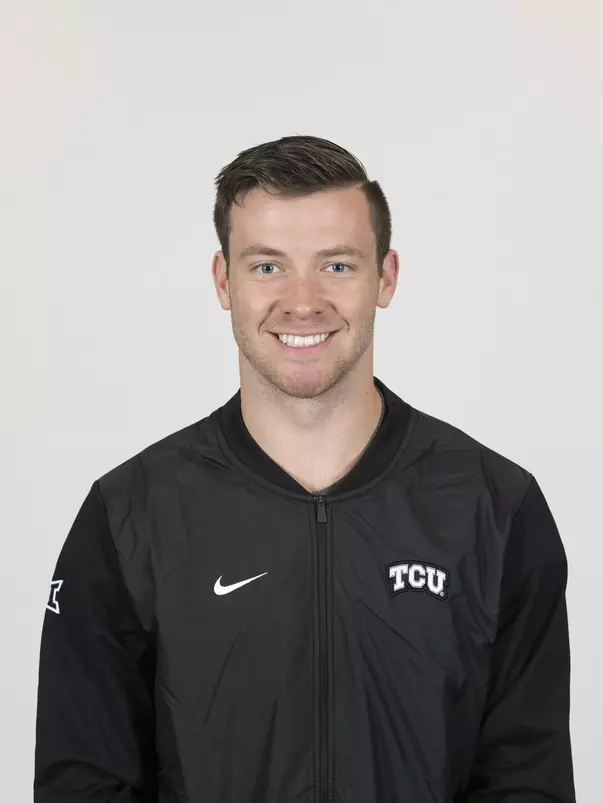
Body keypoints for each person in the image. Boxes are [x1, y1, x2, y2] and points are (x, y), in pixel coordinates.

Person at [34, 135, 576, 802]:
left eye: (337, 265)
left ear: (386, 277)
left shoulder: (495, 508)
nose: (302, 302)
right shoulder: (130, 515)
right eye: (267, 266)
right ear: (222, 281)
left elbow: (529, 780)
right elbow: (82, 783)